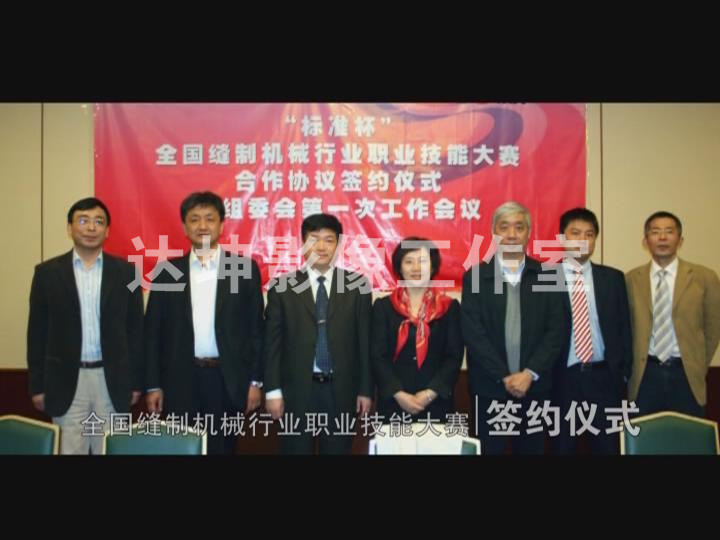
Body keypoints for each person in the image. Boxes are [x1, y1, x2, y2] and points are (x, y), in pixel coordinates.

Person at [144, 191, 264, 454]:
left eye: (209, 218)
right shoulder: (168, 272)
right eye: (194, 219)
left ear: (221, 226)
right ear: (185, 227)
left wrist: (255, 382)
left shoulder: (242, 269)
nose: (202, 225)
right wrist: (153, 384)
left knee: (223, 448)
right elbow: (153, 333)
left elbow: (256, 330)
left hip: (226, 379)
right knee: (182, 448)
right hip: (180, 379)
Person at [27, 197, 144, 454]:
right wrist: (37, 386)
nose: (91, 227)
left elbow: (136, 331)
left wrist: (136, 382)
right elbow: (37, 333)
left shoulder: (128, 273)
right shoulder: (47, 273)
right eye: (83, 221)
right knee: (71, 451)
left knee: (111, 449)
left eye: (98, 221)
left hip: (112, 380)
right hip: (67, 380)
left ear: (107, 230)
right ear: (70, 228)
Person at [461, 201, 565, 454]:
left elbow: (556, 331)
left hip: (535, 388)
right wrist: (504, 376)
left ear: (529, 233)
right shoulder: (476, 277)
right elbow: (474, 334)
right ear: (493, 233)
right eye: (504, 227)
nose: (511, 234)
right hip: (490, 388)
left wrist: (529, 373)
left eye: (519, 227)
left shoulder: (547, 275)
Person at [264, 213, 373, 454]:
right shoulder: (282, 287)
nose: (321, 247)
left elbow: (364, 343)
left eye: (329, 240)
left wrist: (365, 390)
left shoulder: (357, 286)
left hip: (341, 391)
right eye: (314, 239)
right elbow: (272, 345)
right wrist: (272, 390)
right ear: (303, 244)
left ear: (338, 245)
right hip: (295, 392)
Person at [551, 208, 632, 455]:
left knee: (608, 448)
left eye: (589, 234)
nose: (582, 240)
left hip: (604, 378)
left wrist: (623, 373)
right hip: (562, 380)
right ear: (562, 238)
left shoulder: (613, 278)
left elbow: (624, 328)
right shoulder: (545, 278)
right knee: (562, 448)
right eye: (575, 233)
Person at [626, 211, 720, 417]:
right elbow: (626, 328)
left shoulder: (704, 278)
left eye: (669, 231)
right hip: (645, 375)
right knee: (643, 433)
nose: (662, 237)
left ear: (680, 240)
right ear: (645, 241)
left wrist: (697, 363)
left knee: (688, 433)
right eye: (655, 232)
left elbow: (713, 328)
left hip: (686, 374)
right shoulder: (631, 279)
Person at [371, 237, 463, 424]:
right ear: (399, 268)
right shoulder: (383, 307)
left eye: (422, 261)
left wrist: (430, 393)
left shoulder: (448, 307)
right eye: (408, 262)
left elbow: (454, 356)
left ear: (433, 267)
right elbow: (377, 355)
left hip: (436, 403)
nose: (415, 268)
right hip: (393, 403)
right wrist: (398, 394)